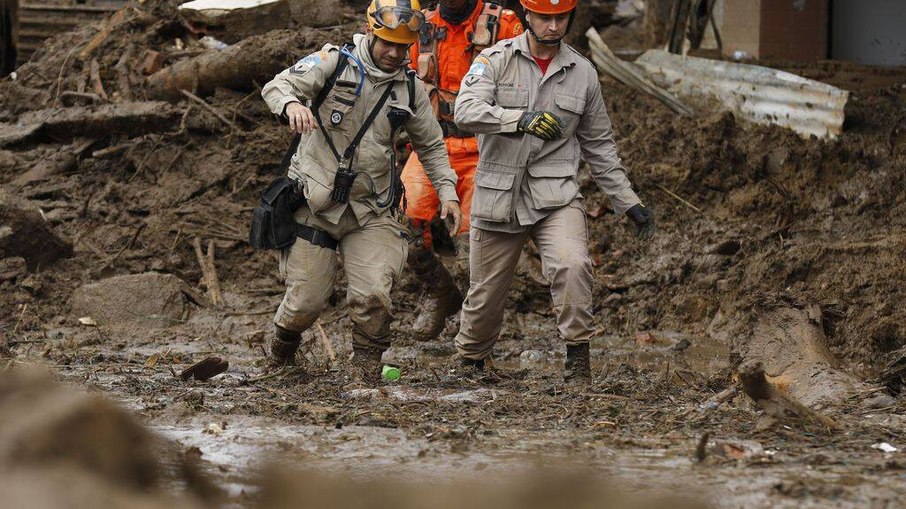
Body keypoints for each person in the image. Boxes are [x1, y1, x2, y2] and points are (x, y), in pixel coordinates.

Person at [451, 0, 656, 384]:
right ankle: (471, 361)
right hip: (499, 194)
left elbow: (600, 146)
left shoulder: (583, 73)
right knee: (486, 292)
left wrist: (628, 202)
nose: (553, 25)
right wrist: (518, 120)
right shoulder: (495, 60)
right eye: (545, 17)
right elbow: (465, 111)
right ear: (528, 16)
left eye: (560, 17)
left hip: (555, 195)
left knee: (573, 265)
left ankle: (578, 361)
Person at [260, 0, 462, 384]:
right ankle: (280, 354)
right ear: (370, 32)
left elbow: (432, 145)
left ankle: (366, 372)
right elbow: (278, 84)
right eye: (388, 43)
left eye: (404, 47)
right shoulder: (333, 63)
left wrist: (448, 192)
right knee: (306, 301)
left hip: (372, 207)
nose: (394, 54)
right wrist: (290, 105)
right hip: (315, 203)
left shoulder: (410, 89)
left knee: (373, 295)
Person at [401, 0, 522, 341]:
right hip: (431, 145)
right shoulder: (415, 27)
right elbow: (395, 82)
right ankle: (439, 290)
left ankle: (477, 320)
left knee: (476, 244)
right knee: (401, 228)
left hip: (486, 146)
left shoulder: (505, 26)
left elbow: (530, 81)